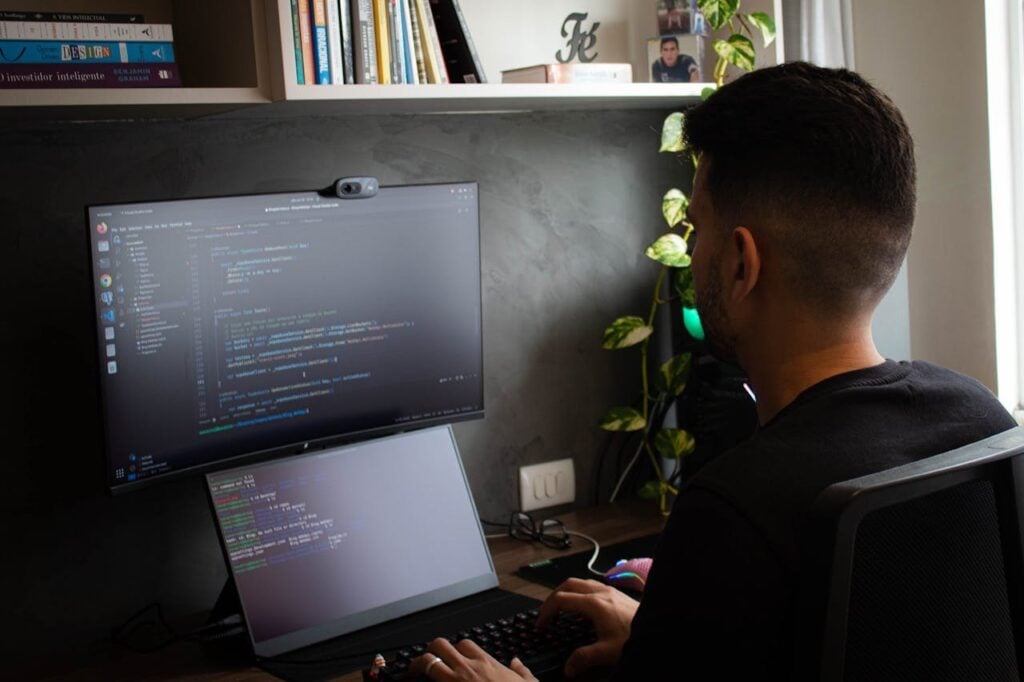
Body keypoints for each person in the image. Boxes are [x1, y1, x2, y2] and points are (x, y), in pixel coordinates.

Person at [409, 62, 1017, 681]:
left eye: (697, 229)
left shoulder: (737, 509)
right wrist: (666, 637)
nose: (691, 252)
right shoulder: (982, 419)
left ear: (741, 263)